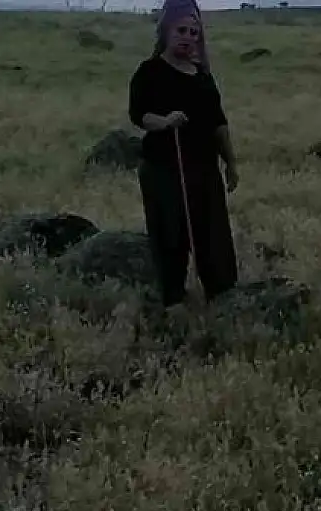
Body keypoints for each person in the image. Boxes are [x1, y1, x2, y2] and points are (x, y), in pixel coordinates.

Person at [128, 0, 239, 308]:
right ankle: (173, 300)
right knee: (170, 238)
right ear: (165, 31)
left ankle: (223, 298)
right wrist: (164, 122)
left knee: (214, 238)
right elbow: (139, 115)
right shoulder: (149, 72)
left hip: (204, 169)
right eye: (181, 30)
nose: (188, 36)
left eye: (194, 31)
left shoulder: (202, 76)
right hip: (164, 169)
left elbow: (218, 123)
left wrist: (231, 163)